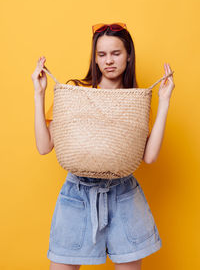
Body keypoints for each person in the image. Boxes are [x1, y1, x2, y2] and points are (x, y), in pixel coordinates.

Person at [31, 23, 175, 270]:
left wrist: (163, 102)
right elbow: (44, 147)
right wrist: (38, 94)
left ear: (128, 56)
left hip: (124, 196)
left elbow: (149, 157)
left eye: (116, 53)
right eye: (102, 54)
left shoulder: (135, 103)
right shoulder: (74, 94)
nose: (109, 61)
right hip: (77, 195)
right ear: (95, 59)